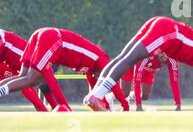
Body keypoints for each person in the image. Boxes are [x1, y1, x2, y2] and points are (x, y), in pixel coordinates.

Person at [83, 16, 193, 111]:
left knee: (123, 57)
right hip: (168, 32)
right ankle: (97, 95)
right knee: (130, 59)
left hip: (164, 27)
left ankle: (94, 95)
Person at [0, 27, 129, 111]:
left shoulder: (92, 68)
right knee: (31, 80)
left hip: (45, 34)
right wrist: (125, 106)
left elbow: (94, 89)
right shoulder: (103, 60)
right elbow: (112, 83)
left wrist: (103, 104)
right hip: (53, 38)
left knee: (24, 77)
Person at [0, 29, 49, 111]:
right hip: (8, 58)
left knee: (22, 83)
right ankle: (43, 110)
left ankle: (43, 110)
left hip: (9, 58)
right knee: (22, 82)